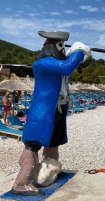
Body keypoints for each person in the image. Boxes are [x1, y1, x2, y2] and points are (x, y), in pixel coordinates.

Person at [12, 31, 91, 196]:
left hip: (57, 108)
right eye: (61, 47)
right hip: (42, 113)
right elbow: (66, 67)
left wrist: (75, 56)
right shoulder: (42, 63)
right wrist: (78, 52)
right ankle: (21, 183)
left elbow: (65, 68)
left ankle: (50, 171)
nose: (63, 50)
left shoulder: (55, 63)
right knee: (32, 146)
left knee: (53, 142)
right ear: (54, 47)